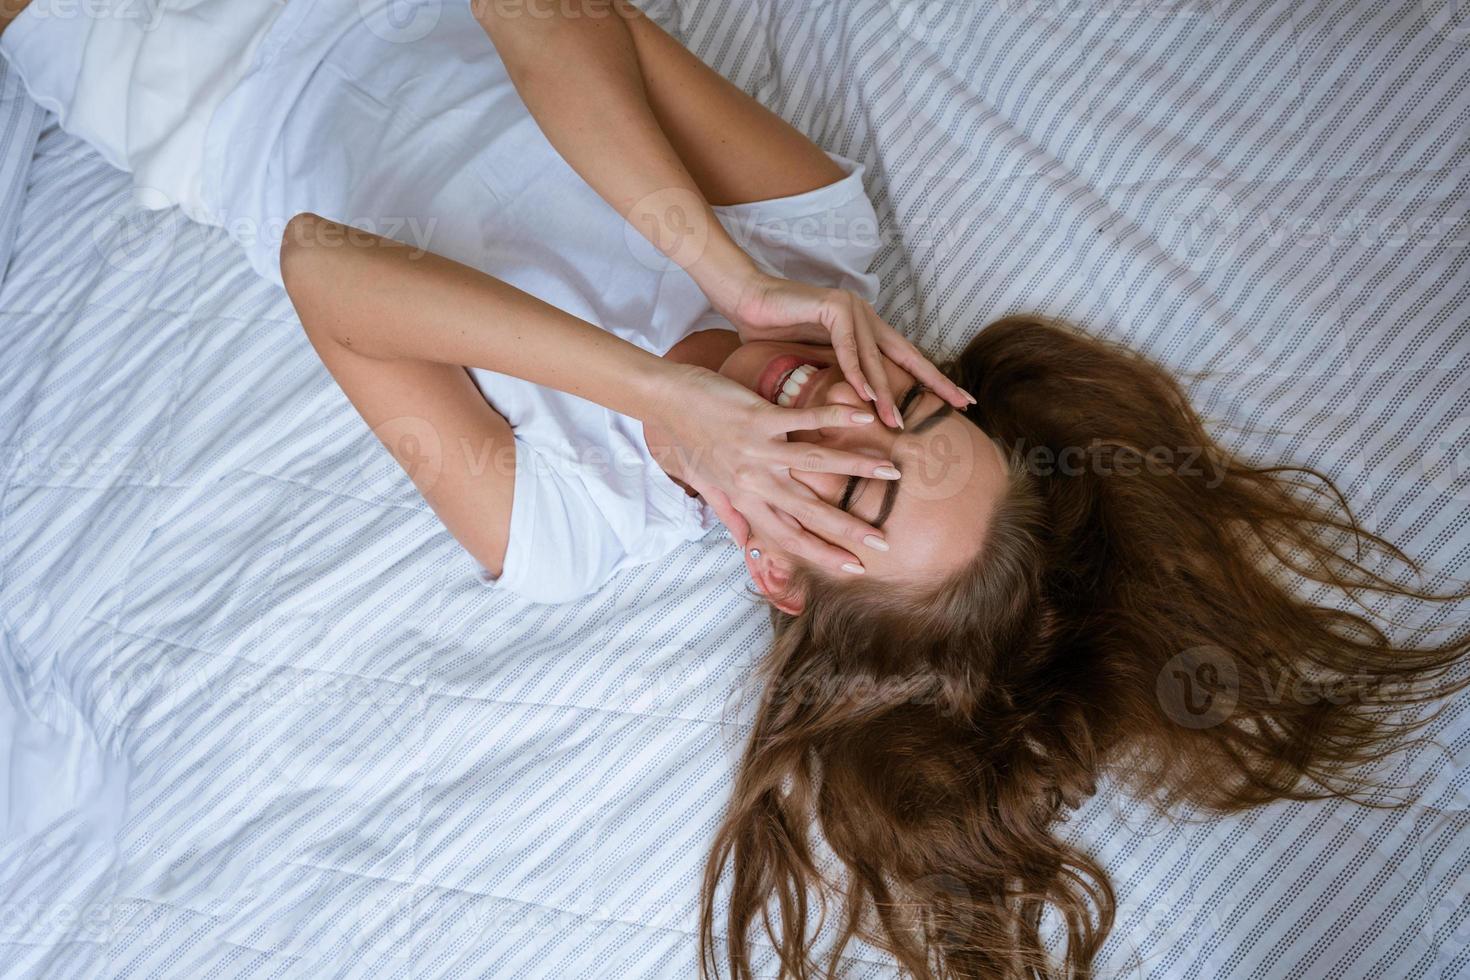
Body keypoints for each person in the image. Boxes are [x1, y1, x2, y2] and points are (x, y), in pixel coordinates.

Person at [4, 2, 1466, 977]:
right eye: (907, 413)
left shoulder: (562, 526)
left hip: (140, 51)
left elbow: (324, 266)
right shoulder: (821, 255)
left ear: (778, 571)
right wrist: (723, 273)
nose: (844, 409)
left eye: (854, 493)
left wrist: (654, 396)